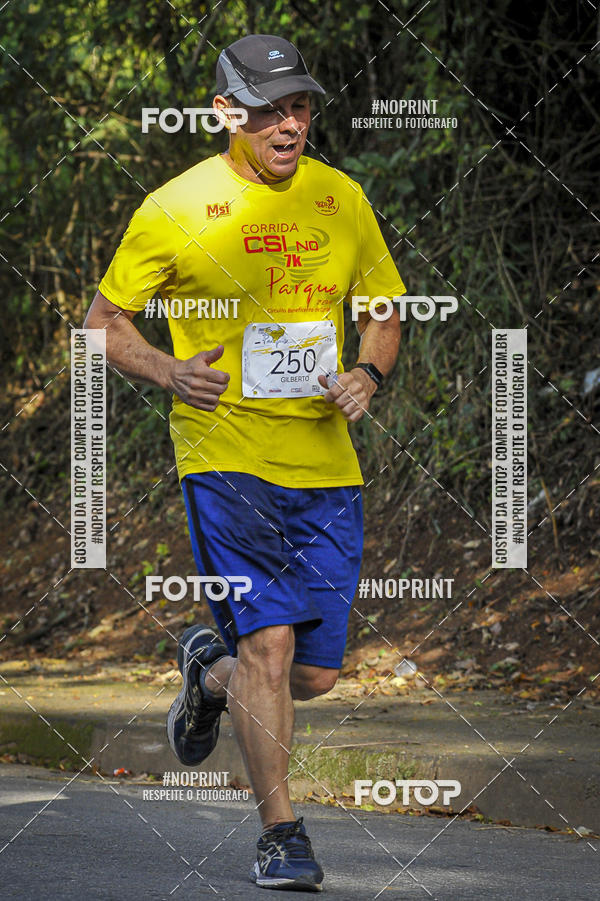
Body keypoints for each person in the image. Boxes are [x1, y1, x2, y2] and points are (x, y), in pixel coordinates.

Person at [84, 33, 405, 893]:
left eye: (300, 105)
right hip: (224, 456)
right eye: (269, 108)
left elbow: (383, 310)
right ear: (227, 112)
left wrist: (369, 372)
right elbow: (101, 321)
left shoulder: (342, 198)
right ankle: (281, 832)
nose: (290, 122)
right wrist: (164, 368)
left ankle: (205, 670)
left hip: (326, 467)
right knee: (267, 644)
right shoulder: (175, 206)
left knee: (313, 672)